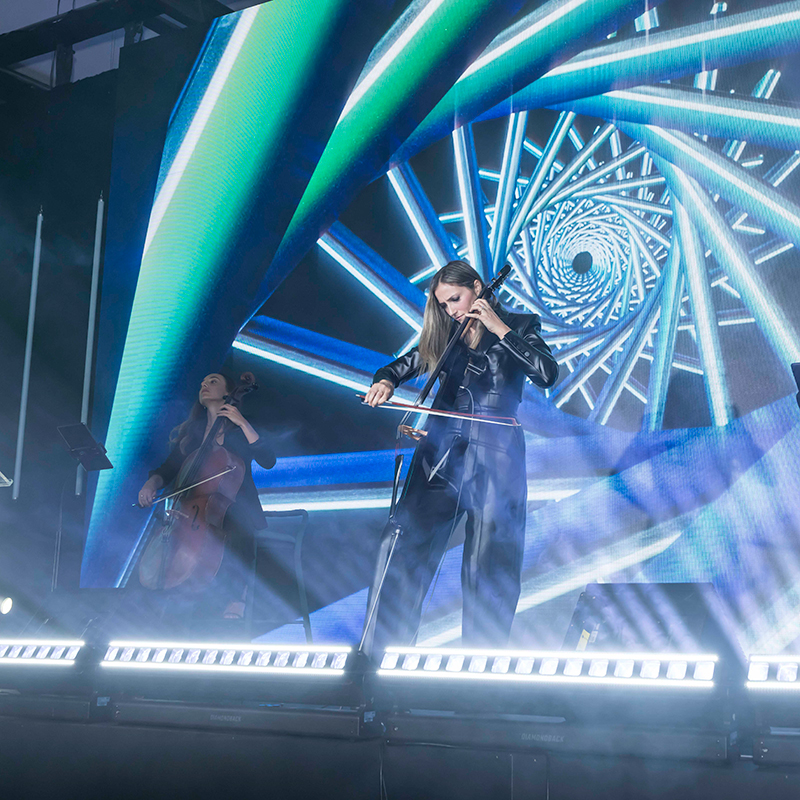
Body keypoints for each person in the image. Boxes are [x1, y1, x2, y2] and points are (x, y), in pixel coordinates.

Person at [361, 260, 558, 653]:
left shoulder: (520, 325)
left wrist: (500, 329)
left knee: (488, 561)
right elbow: (401, 365)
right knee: (398, 539)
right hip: (441, 452)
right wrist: (384, 380)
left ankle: (478, 669)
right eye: (444, 305)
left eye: (456, 299)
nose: (451, 310)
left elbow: (547, 373)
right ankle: (378, 656)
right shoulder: (448, 334)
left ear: (477, 287)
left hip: (497, 455)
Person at [137, 372, 275, 626]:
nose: (204, 384)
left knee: (234, 529)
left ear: (228, 392)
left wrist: (242, 422)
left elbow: (268, 460)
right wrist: (150, 484)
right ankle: (167, 611)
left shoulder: (239, 429)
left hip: (236, 513)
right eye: (202, 382)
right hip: (189, 516)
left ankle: (235, 600)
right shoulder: (192, 435)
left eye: (212, 381)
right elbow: (166, 471)